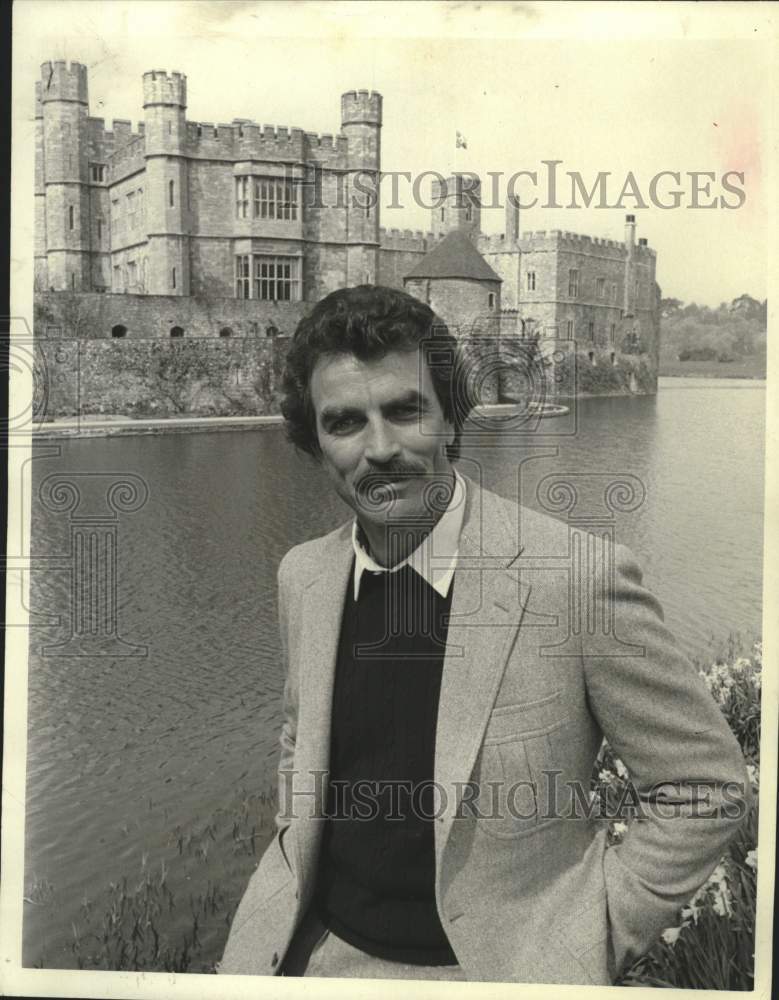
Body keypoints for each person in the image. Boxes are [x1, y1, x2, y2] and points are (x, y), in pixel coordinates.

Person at [219, 284, 751, 984]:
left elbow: (702, 786)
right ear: (314, 443)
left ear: (450, 419)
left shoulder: (574, 578)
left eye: (405, 411)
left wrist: (582, 942)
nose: (378, 449)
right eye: (345, 423)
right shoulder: (304, 576)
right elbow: (298, 736)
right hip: (298, 954)